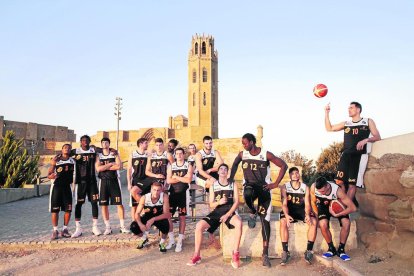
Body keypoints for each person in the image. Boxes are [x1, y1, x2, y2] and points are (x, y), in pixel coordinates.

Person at [228, 133, 288, 268]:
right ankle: (252, 211)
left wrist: (275, 184)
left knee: (264, 220)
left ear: (252, 142)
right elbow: (235, 163)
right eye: (242, 143)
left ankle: (265, 254)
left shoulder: (266, 154)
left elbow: (284, 165)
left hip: (264, 189)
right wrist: (231, 177)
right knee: (247, 193)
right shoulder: (243, 154)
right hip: (250, 187)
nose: (244, 145)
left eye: (245, 143)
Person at [187, 164, 242, 269]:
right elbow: (211, 204)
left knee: (239, 223)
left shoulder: (232, 184)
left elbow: (237, 202)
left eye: (225, 169)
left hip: (229, 211)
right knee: (199, 226)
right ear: (218, 172)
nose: (223, 170)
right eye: (221, 169)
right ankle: (197, 255)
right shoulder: (213, 185)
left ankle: (235, 254)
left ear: (227, 172)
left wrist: (227, 215)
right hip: (217, 212)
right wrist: (219, 202)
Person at [325, 102, 381, 204]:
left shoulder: (367, 121)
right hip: (346, 155)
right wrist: (327, 113)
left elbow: (377, 137)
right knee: (339, 181)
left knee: (352, 184)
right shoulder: (346, 123)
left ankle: (345, 207)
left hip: (358, 156)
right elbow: (329, 128)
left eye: (351, 108)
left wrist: (365, 140)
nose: (349, 110)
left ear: (358, 109)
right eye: (348, 108)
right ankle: (342, 203)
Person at [310, 177, 357, 261]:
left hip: (336, 205)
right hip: (322, 205)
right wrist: (317, 216)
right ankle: (331, 249)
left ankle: (341, 250)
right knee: (322, 224)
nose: (321, 193)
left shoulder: (338, 191)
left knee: (346, 223)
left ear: (327, 186)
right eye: (319, 191)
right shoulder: (314, 187)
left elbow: (353, 208)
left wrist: (338, 214)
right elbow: (313, 202)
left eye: (323, 191)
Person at [279, 167, 317, 265]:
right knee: (283, 221)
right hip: (290, 210)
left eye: (297, 173)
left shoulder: (305, 187)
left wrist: (308, 214)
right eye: (293, 173)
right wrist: (286, 215)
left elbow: (307, 204)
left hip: (301, 210)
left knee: (313, 221)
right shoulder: (285, 187)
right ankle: (285, 252)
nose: (295, 175)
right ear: (290, 176)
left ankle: (309, 251)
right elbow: (284, 204)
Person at [95, 137, 129, 234]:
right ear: (101, 144)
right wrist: (110, 164)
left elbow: (119, 166)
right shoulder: (99, 155)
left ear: (109, 144)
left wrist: (104, 167)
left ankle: (122, 226)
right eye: (103, 142)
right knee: (104, 205)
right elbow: (98, 169)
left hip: (114, 181)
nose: (105, 144)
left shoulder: (114, 153)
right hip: (103, 181)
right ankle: (108, 227)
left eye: (106, 142)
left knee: (119, 204)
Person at [145, 138, 175, 248]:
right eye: (157, 145)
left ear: (163, 145)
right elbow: (147, 171)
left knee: (167, 214)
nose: (158, 147)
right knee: (152, 212)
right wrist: (156, 176)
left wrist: (167, 183)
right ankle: (146, 237)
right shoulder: (151, 156)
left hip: (165, 186)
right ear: (154, 146)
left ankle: (171, 239)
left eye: (160, 145)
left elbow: (174, 168)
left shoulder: (168, 155)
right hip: (154, 187)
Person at [70, 135, 101, 238]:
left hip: (92, 181)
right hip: (80, 181)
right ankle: (78, 228)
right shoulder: (75, 151)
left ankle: (95, 227)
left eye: (87, 140)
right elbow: (65, 153)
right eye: (83, 140)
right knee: (78, 204)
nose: (85, 142)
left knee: (94, 203)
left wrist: (114, 150)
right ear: (80, 142)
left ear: (89, 141)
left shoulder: (93, 150)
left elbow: (104, 149)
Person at [130, 182, 171, 253]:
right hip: (147, 216)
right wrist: (140, 224)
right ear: (151, 190)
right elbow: (137, 213)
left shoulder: (164, 196)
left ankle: (162, 243)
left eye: (158, 190)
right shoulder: (144, 197)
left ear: (161, 190)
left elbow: (167, 214)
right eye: (154, 190)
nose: (156, 192)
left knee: (166, 225)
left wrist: (153, 219)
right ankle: (144, 238)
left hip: (158, 217)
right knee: (133, 226)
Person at [166, 147, 193, 252]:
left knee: (182, 217)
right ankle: (172, 239)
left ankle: (180, 241)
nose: (179, 155)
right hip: (172, 194)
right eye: (177, 154)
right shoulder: (171, 166)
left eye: (180, 153)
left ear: (184, 154)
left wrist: (176, 177)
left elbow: (189, 179)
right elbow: (168, 180)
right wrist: (182, 178)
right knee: (168, 216)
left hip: (183, 194)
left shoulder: (188, 165)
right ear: (174, 155)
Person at [48, 144, 76, 240]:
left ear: (70, 150)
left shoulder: (73, 161)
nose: (67, 149)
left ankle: (65, 229)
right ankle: (55, 230)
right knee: (55, 210)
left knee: (68, 209)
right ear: (62, 149)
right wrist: (51, 175)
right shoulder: (56, 160)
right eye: (65, 147)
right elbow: (49, 174)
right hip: (57, 187)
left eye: (68, 148)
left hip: (67, 188)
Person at [127, 138, 150, 221]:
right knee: (134, 205)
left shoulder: (148, 154)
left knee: (147, 200)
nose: (147, 145)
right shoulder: (133, 154)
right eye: (146, 143)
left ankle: (146, 221)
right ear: (140, 144)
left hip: (146, 181)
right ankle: (134, 223)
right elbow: (129, 169)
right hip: (135, 180)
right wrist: (129, 183)